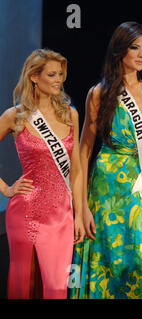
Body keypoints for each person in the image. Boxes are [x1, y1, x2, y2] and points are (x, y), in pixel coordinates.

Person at [70, 22, 142, 299]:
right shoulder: (99, 93)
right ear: (119, 51)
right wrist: (82, 208)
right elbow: (84, 151)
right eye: (134, 47)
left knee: (140, 261)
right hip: (106, 189)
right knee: (107, 261)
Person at [0, 49, 84, 298]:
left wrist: (79, 214)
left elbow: (76, 169)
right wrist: (6, 189)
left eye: (60, 74)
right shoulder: (15, 116)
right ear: (34, 77)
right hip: (25, 211)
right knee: (24, 283)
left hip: (61, 216)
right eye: (51, 74)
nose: (58, 79)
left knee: (58, 287)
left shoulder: (71, 114)